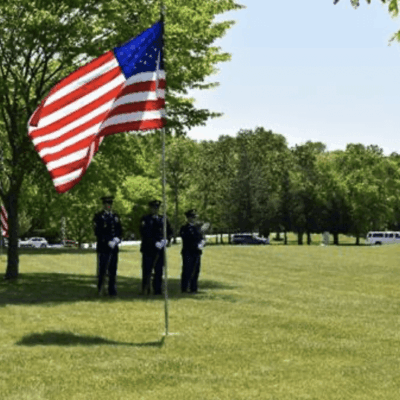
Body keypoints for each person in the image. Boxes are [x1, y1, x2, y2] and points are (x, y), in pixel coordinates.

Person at [139, 200, 173, 295]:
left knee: (159, 270)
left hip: (160, 248)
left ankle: (157, 289)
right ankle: (146, 288)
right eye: (153, 207)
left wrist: (166, 240)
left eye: (157, 208)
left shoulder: (163, 219)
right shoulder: (145, 219)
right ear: (150, 208)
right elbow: (144, 233)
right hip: (148, 248)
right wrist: (154, 242)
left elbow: (169, 232)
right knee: (147, 269)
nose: (155, 210)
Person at [93, 195, 122, 296]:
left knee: (113, 269)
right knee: (103, 269)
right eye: (106, 204)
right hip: (104, 247)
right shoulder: (99, 216)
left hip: (114, 247)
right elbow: (98, 232)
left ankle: (112, 289)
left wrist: (117, 239)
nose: (108, 206)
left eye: (110, 204)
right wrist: (107, 241)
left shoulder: (115, 216)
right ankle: (101, 288)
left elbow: (120, 230)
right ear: (103, 205)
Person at [180, 209, 206, 294]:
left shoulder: (198, 228)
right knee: (187, 270)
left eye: (194, 217)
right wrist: (196, 244)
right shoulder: (184, 228)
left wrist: (202, 243)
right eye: (191, 217)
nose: (193, 219)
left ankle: (193, 288)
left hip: (196, 252)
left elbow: (202, 238)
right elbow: (186, 239)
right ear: (187, 218)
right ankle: (184, 288)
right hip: (188, 252)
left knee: (196, 270)